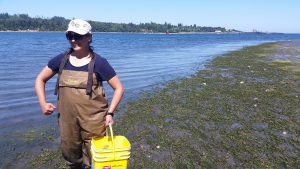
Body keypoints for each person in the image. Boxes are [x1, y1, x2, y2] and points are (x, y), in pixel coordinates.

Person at [35, 19, 124, 169]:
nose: (74, 40)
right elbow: (40, 79)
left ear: (89, 36)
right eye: (70, 36)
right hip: (67, 120)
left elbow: (119, 88)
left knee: (95, 155)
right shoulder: (61, 60)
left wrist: (110, 114)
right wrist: (42, 103)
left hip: (94, 120)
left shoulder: (100, 63)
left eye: (79, 36)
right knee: (70, 153)